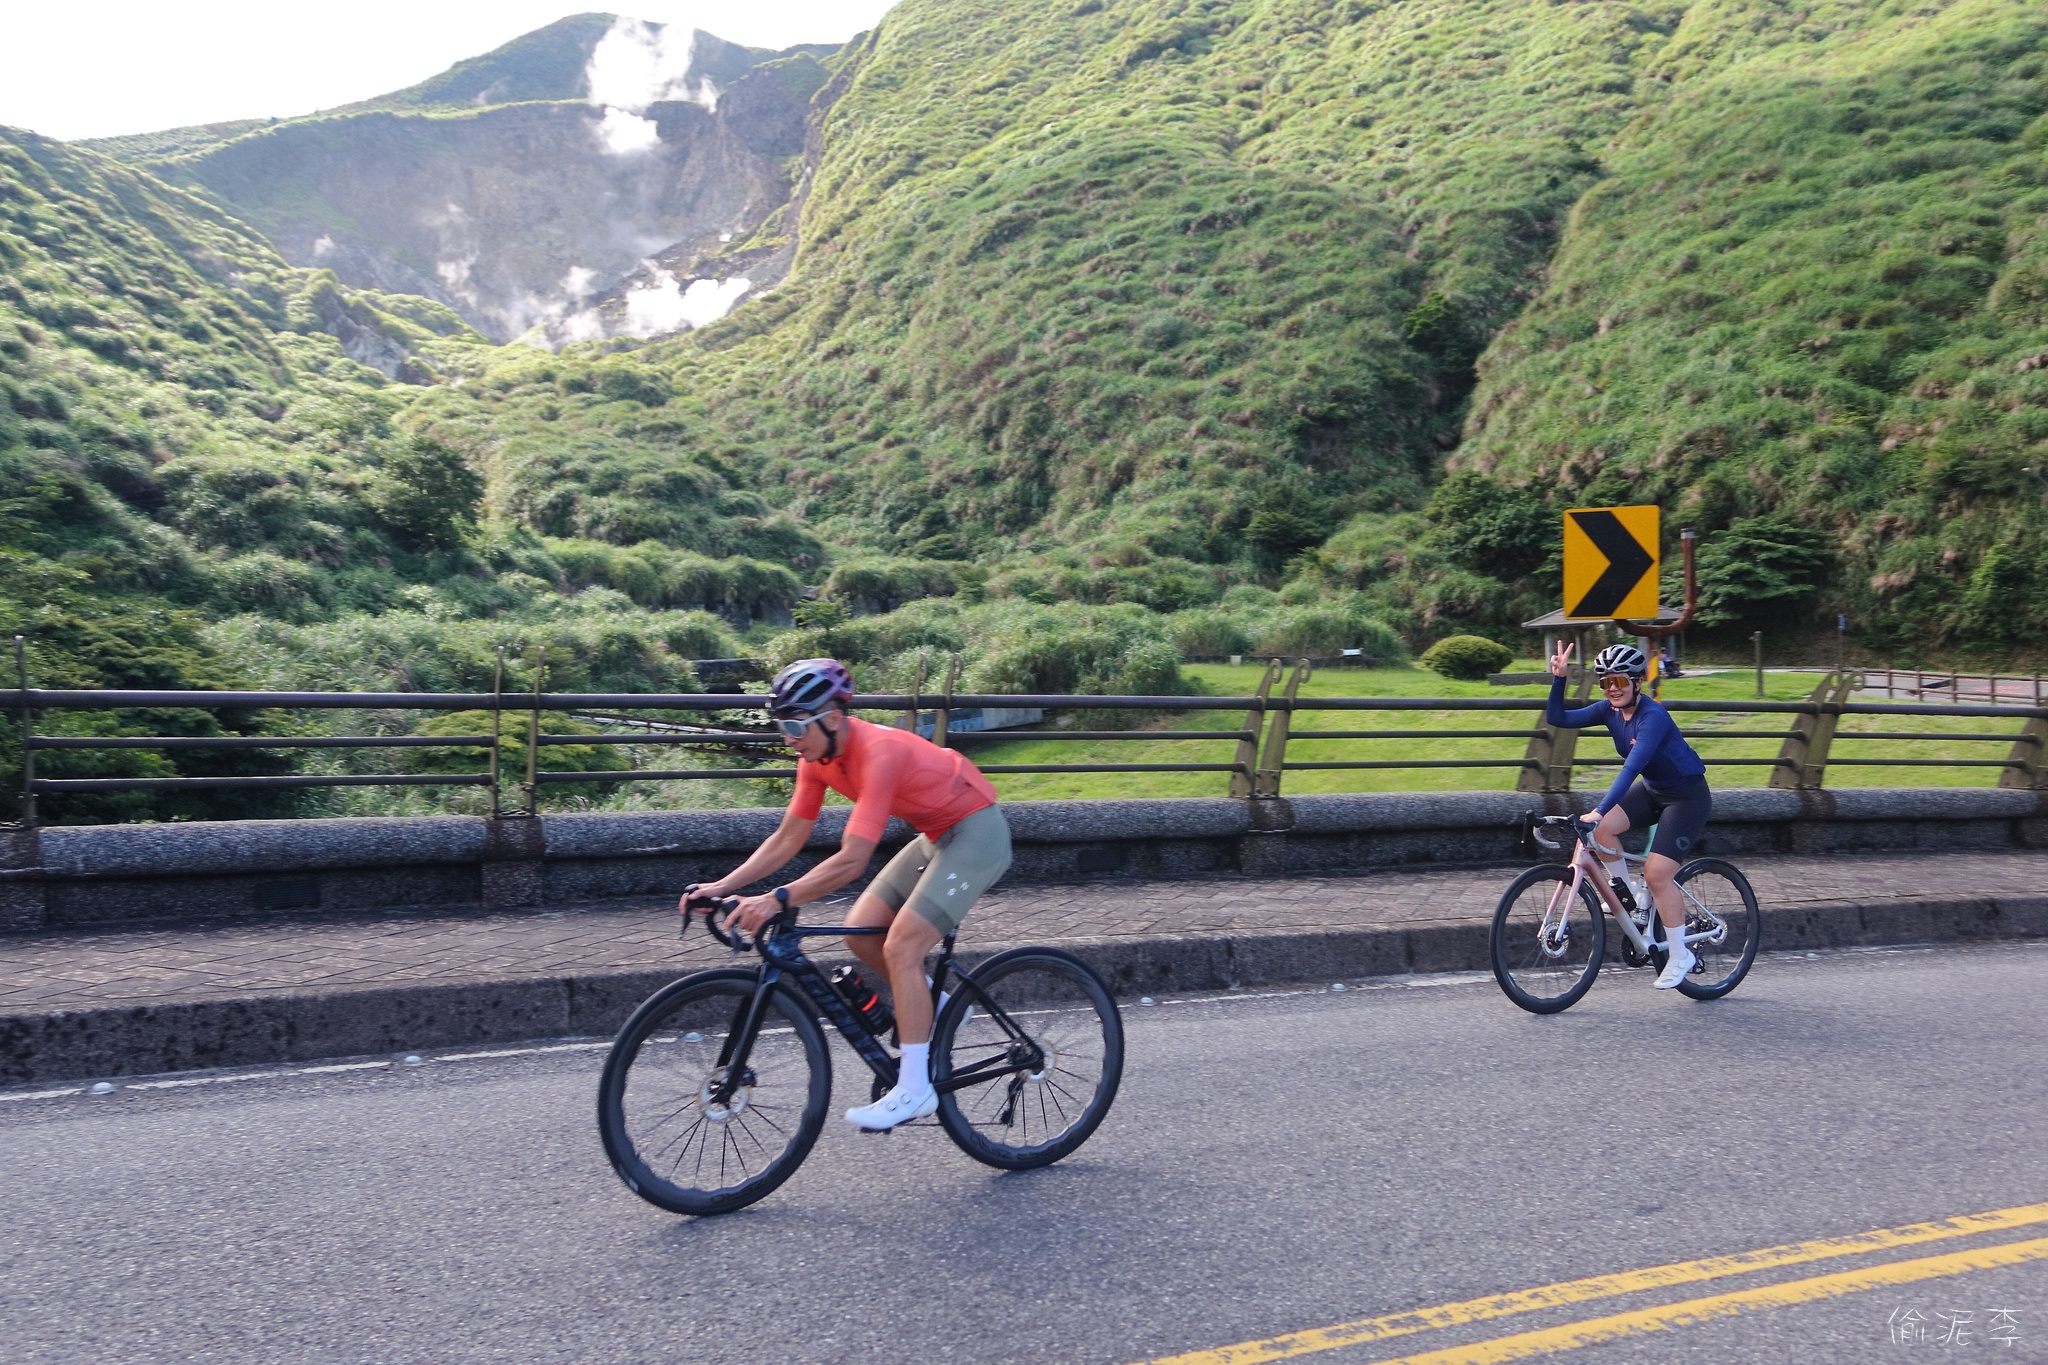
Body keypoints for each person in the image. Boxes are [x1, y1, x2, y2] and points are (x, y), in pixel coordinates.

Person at [683, 658, 1013, 1130]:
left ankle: (915, 1089)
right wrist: (721, 887)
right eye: (781, 725)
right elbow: (787, 838)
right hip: (936, 835)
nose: (788, 737)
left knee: (902, 947)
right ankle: (941, 1009)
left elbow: (853, 860)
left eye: (795, 725)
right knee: (860, 932)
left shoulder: (879, 752)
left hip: (977, 832)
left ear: (833, 718)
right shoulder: (816, 760)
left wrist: (776, 899)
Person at [1545, 640, 1711, 989]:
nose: (1612, 689)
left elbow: (1631, 768)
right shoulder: (1609, 710)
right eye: (1605, 682)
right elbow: (1558, 718)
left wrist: (1599, 810)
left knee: (1657, 874)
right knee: (1601, 832)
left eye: (1619, 681)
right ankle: (1630, 899)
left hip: (1686, 798)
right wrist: (1559, 679)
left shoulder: (1653, 717)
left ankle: (1680, 954)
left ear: (1637, 682)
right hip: (1653, 790)